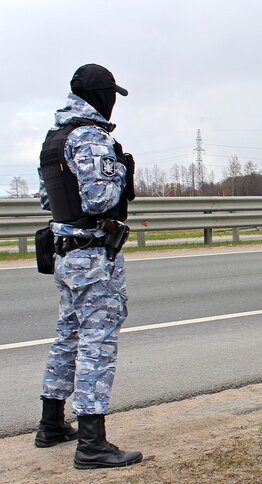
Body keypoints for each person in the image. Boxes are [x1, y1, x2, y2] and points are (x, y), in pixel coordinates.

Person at [36, 64, 141, 469]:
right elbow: (99, 199)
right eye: (111, 94)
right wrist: (121, 171)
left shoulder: (53, 138)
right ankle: (92, 443)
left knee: (68, 335)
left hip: (65, 252)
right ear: (102, 95)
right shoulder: (90, 137)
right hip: (94, 254)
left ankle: (51, 424)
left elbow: (48, 201)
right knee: (97, 343)